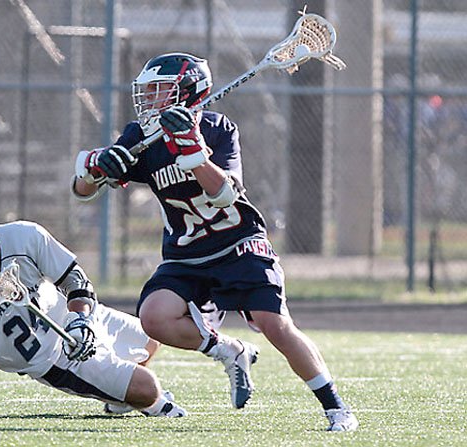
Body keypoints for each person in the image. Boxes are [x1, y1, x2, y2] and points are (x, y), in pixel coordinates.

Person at [70, 52, 358, 431]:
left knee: (274, 324)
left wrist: (192, 149)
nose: (150, 99)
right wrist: (96, 168)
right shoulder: (141, 135)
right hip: (187, 254)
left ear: (187, 93)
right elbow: (82, 191)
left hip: (238, 243)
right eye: (149, 91)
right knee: (153, 317)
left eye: (159, 90)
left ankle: (337, 408)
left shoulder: (218, 129)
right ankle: (227, 352)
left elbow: (225, 193)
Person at [0, 202, 186, 418]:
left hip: (72, 319)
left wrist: (81, 320)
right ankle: (142, 401)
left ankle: (118, 399)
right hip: (53, 359)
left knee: (151, 337)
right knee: (148, 390)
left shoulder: (22, 236)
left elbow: (74, 278)